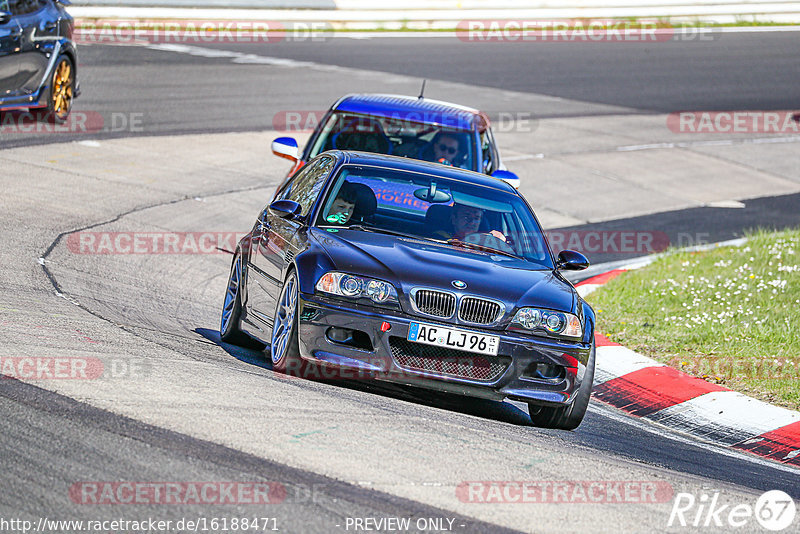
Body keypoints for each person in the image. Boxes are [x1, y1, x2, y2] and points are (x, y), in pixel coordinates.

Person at [433, 203, 507, 243]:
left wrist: (498, 242)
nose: (472, 223)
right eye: (466, 217)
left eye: (476, 218)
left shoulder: (487, 241)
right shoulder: (439, 238)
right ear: (454, 219)